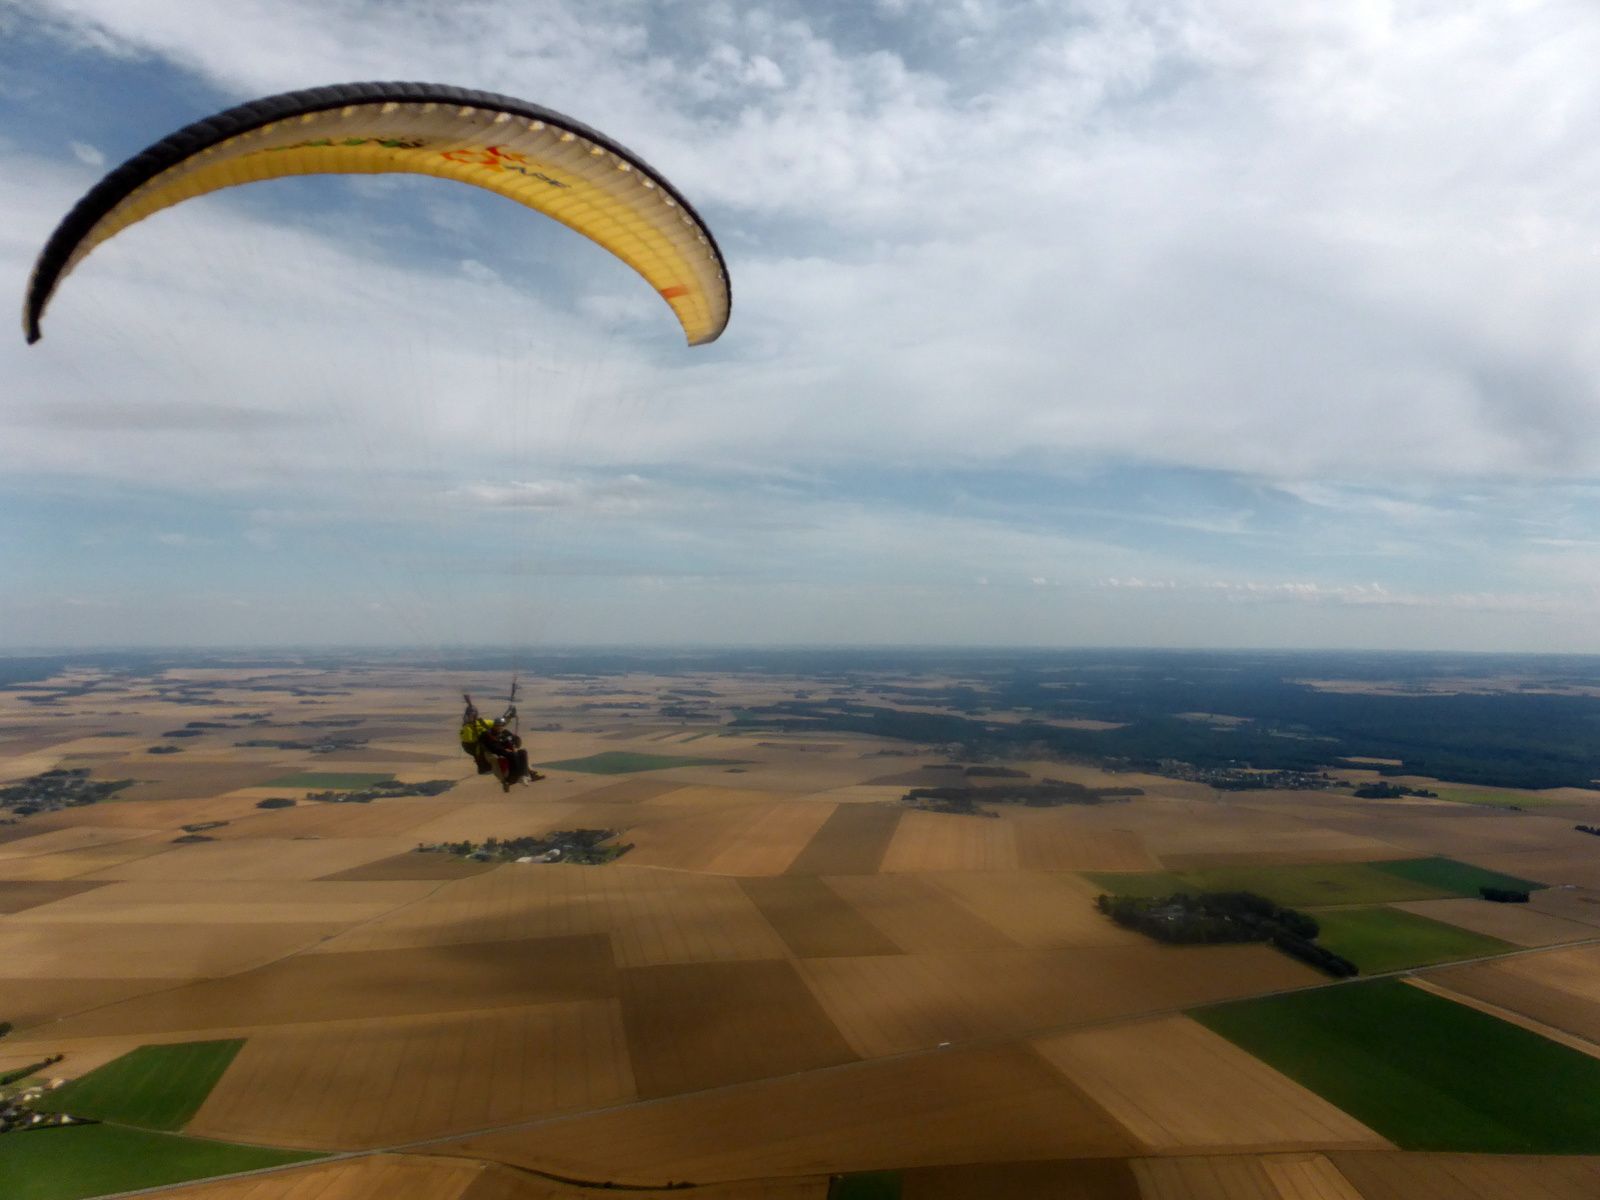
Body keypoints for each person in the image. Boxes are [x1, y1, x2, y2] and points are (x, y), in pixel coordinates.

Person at [459, 698, 543, 790]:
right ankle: (504, 781)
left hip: (493, 742)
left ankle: (529, 773)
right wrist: (477, 733)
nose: (472, 716)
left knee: (517, 752)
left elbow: (497, 725)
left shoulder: (482, 722)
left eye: (473, 715)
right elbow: (469, 741)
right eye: (471, 715)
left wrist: (509, 717)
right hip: (483, 749)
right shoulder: (466, 728)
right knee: (494, 759)